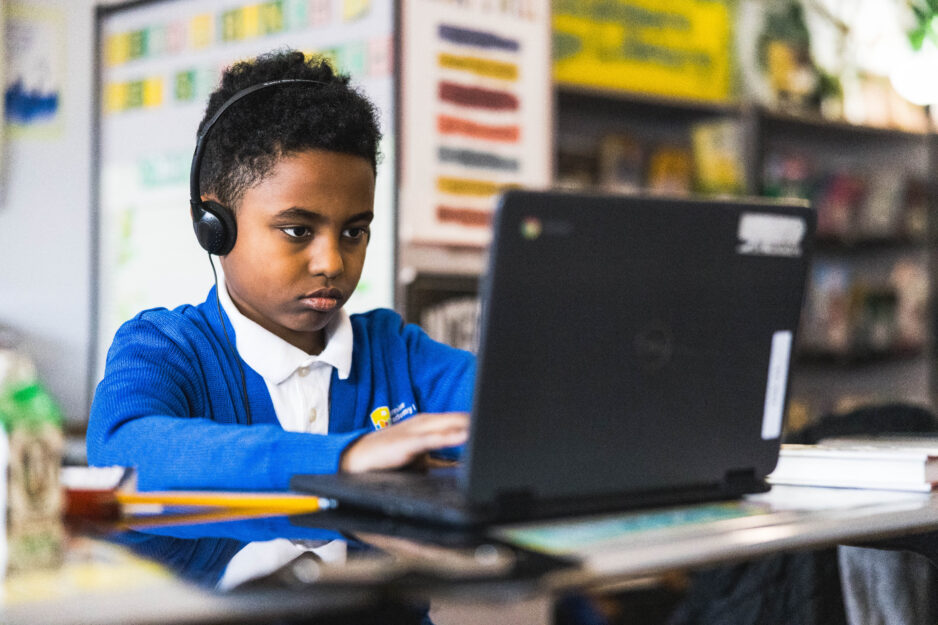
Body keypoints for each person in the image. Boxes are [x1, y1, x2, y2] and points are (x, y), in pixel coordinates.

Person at [87, 49, 474, 491]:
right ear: (215, 226)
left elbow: (522, 423)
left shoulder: (398, 355)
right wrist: (343, 459)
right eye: (297, 230)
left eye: (353, 232)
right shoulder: (167, 348)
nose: (331, 263)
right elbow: (121, 453)